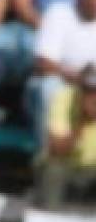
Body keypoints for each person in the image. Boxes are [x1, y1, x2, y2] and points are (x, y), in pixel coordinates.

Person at [28, 0, 96, 140]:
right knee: (49, 86)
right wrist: (79, 77)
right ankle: (47, 152)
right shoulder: (59, 13)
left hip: (90, 88)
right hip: (61, 83)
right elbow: (43, 64)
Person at [37, 64, 96, 205]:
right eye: (88, 90)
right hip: (66, 167)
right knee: (54, 169)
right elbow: (57, 150)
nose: (93, 95)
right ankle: (50, 219)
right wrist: (82, 121)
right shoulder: (64, 99)